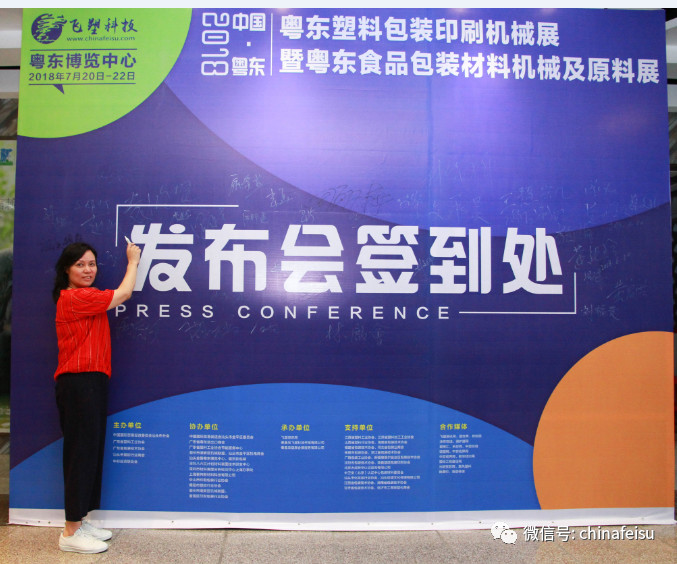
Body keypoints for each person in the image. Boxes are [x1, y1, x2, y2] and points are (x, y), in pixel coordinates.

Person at [52, 240, 141, 553]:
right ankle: (70, 532)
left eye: (91, 264)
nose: (88, 270)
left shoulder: (84, 297)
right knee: (81, 454)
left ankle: (80, 520)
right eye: (80, 265)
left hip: (91, 381)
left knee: (90, 452)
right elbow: (124, 294)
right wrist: (133, 261)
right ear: (67, 269)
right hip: (79, 383)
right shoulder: (74, 297)